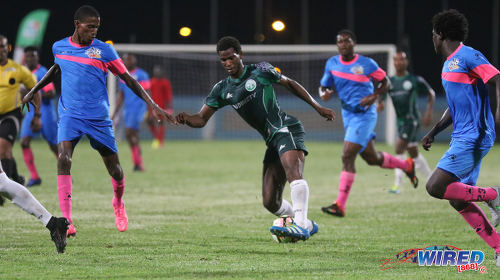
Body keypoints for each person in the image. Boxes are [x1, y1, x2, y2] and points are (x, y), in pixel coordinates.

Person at [23, 5, 173, 237]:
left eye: (97, 27)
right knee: (63, 159)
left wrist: (152, 104)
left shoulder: (104, 51)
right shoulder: (59, 46)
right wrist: (34, 89)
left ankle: (118, 202)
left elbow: (128, 79)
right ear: (77, 24)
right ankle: (67, 221)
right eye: (90, 27)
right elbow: (56, 68)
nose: (94, 31)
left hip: (98, 119)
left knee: (116, 170)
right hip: (70, 115)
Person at [176, 36, 336, 241]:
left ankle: (301, 225)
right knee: (270, 201)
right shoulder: (222, 89)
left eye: (231, 58)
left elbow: (290, 83)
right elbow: (201, 119)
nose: (227, 63)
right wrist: (187, 119)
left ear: (240, 55)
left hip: (286, 127)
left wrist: (317, 107)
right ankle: (305, 224)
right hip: (271, 140)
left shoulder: (261, 70)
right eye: (223, 60)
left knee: (293, 172)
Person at [422, 9, 500, 266]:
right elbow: (455, 106)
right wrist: (434, 131)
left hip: (475, 136)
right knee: (458, 199)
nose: (431, 39)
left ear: (440, 34)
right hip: (461, 137)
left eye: (432, 34)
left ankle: (493, 195)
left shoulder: (468, 54)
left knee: (434, 187)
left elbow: (497, 78)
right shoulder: (448, 65)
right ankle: (499, 247)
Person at [318, 29, 418, 218]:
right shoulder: (332, 63)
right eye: (340, 42)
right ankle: (406, 166)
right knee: (371, 158)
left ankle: (340, 204)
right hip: (348, 114)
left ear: (354, 43)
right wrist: (324, 93)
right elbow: (324, 86)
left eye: (347, 41)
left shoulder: (367, 64)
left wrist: (374, 96)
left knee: (347, 155)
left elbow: (386, 83)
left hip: (364, 115)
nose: (343, 44)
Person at [0, 35, 69, 253]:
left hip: (15, 116)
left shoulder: (18, 70)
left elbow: (35, 89)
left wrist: (37, 114)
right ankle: (53, 223)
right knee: (3, 183)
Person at [377, 51, 435, 194]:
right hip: (400, 122)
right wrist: (380, 103)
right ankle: (432, 179)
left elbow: (431, 93)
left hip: (412, 120)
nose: (398, 62)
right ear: (393, 62)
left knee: (398, 148)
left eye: (401, 60)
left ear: (406, 62)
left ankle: (397, 185)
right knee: (414, 154)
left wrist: (428, 113)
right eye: (396, 60)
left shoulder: (414, 80)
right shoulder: (389, 82)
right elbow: (381, 96)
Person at [20, 46, 58, 187]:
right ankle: (35, 177)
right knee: (24, 142)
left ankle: (66, 173)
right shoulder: (22, 72)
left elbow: (52, 94)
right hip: (30, 113)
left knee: (54, 146)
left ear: (37, 58)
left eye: (33, 56)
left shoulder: (42, 72)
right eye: (28, 57)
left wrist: (33, 92)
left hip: (46, 112)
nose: (30, 59)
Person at [111, 53, 150, 171]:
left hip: (138, 108)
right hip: (127, 109)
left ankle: (138, 163)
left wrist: (151, 110)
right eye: (125, 59)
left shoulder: (142, 74)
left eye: (129, 59)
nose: (127, 61)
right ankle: (138, 162)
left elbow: (148, 93)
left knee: (129, 133)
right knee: (132, 136)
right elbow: (120, 96)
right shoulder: (123, 76)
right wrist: (114, 113)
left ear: (134, 61)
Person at [148, 65, 173, 149]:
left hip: (161, 107)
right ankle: (156, 139)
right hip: (152, 106)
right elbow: (148, 94)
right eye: (156, 71)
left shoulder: (165, 82)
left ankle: (160, 141)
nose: (157, 72)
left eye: (158, 71)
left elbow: (168, 96)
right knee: (149, 121)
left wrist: (169, 107)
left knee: (160, 123)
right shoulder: (151, 82)